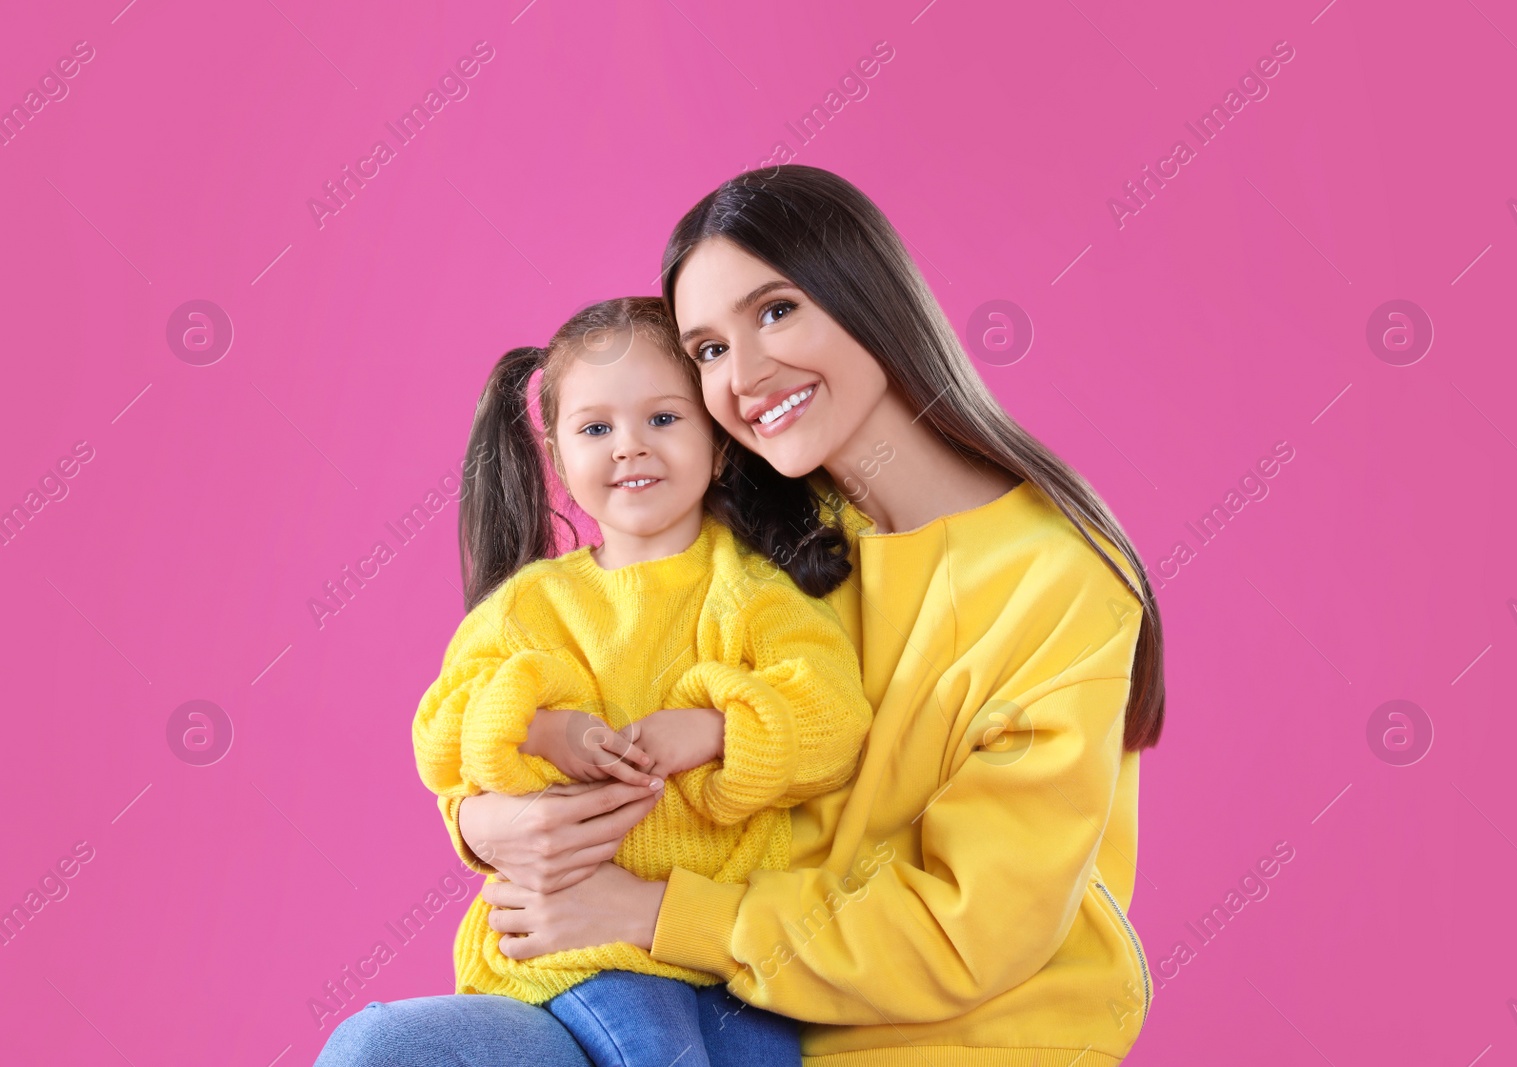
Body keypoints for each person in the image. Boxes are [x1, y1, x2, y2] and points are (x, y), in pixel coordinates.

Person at [320, 164, 1167, 1067]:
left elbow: (972, 927)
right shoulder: (743, 537)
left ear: (869, 298)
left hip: (925, 1036)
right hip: (677, 983)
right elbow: (546, 699)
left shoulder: (1058, 581)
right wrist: (483, 823)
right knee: (388, 1050)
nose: (748, 374)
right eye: (710, 351)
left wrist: (654, 912)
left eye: (775, 311)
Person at [361, 295, 872, 1067]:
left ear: (720, 443)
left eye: (663, 419)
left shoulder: (755, 592)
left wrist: (712, 728)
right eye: (597, 429)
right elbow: (440, 728)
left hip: (722, 952)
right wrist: (541, 730)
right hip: (576, 944)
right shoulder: (533, 606)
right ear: (560, 459)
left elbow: (833, 715)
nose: (630, 447)